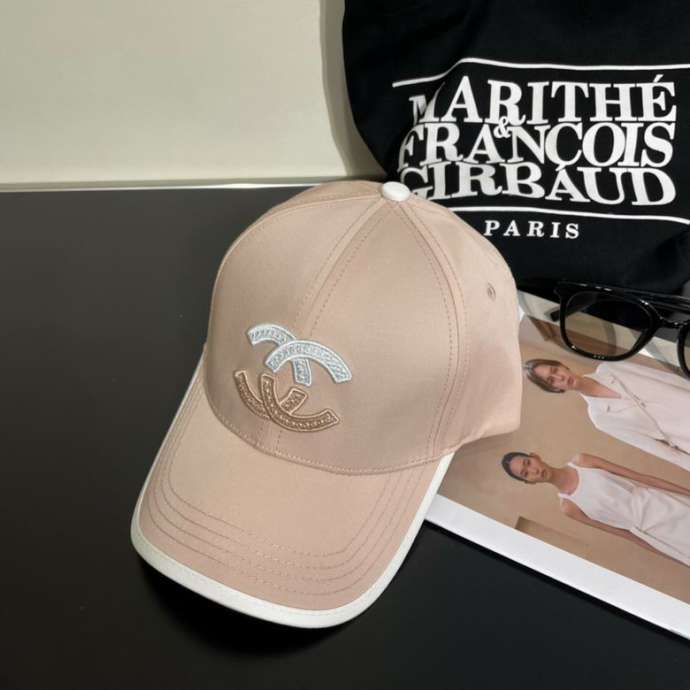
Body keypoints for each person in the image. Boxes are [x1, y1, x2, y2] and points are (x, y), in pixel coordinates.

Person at [501, 450, 690, 566]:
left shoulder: (583, 461)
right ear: (529, 482)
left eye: (528, 463)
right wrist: (677, 557)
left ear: (535, 456)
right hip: (655, 534)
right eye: (526, 474)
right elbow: (627, 535)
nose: (534, 471)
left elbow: (642, 478)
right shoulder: (569, 507)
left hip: (664, 504)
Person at [524, 358, 690, 471]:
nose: (559, 377)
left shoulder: (610, 368)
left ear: (562, 365)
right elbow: (652, 447)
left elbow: (664, 378)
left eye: (555, 370)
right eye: (551, 380)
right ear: (555, 389)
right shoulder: (600, 418)